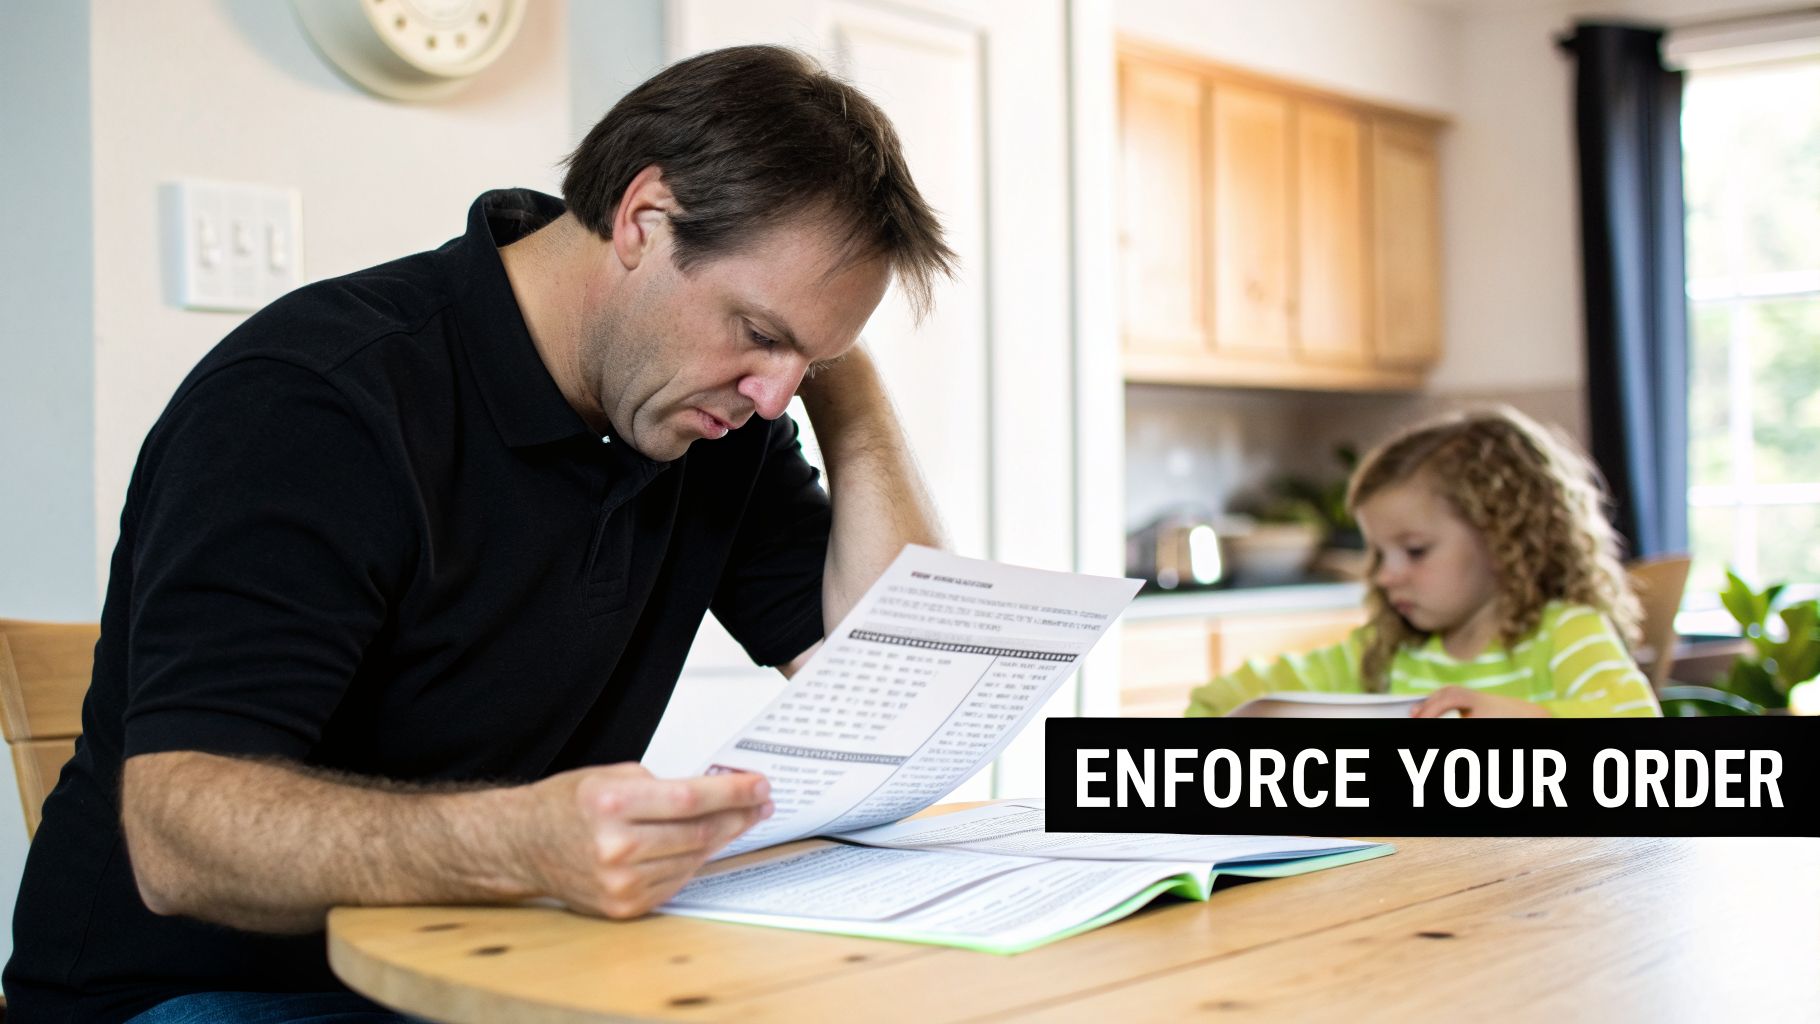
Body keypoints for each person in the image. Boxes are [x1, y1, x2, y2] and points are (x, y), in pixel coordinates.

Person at [5, 45, 955, 1023]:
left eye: (810, 358)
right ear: (642, 219)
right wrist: (519, 842)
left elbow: (905, 697)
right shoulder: (315, 401)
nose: (773, 397)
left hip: (495, 961)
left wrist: (849, 391)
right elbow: (178, 839)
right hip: (194, 994)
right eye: (759, 333)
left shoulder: (712, 418)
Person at [1186, 408, 1661, 720]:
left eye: (1414, 551)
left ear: (1501, 536)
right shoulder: (1387, 651)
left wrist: (1521, 716)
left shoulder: (1565, 634)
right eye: (1378, 553)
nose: (1386, 575)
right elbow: (1222, 698)